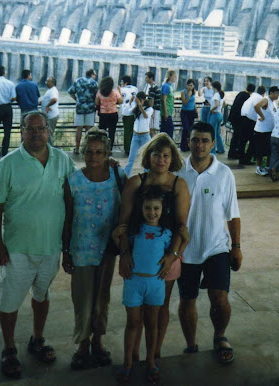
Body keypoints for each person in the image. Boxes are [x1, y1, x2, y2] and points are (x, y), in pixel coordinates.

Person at [0, 111, 76, 379]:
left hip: (51, 247)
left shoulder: (63, 160)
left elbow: (71, 202)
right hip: (17, 248)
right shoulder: (8, 164)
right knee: (10, 299)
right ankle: (9, 348)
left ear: (49, 130)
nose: (37, 134)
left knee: (42, 295)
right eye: (30, 129)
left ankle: (37, 339)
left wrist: (67, 244)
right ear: (21, 131)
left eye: (41, 129)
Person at [117, 133, 190, 364]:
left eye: (166, 156)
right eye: (156, 155)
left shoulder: (179, 185)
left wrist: (173, 256)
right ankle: (134, 356)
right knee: (136, 311)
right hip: (139, 256)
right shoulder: (135, 182)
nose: (161, 160)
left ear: (172, 159)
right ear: (148, 157)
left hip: (168, 255)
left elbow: (181, 226)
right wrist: (124, 253)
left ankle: (154, 353)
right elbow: (123, 224)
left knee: (160, 306)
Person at [177, 121, 242, 365]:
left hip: (217, 247)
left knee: (220, 298)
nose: (200, 145)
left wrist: (236, 247)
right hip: (186, 250)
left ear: (213, 143)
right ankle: (191, 343)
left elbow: (233, 213)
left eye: (205, 140)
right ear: (188, 141)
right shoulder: (178, 172)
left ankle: (220, 336)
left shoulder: (224, 173)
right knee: (187, 300)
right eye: (195, 140)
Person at [62, 128, 126, 371]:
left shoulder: (117, 175)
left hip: (107, 250)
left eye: (99, 152)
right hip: (80, 250)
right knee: (83, 300)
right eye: (89, 151)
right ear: (83, 152)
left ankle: (98, 340)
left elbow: (129, 207)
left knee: (101, 299)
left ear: (107, 153)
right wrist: (65, 251)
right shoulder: (73, 181)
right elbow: (68, 219)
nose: (93, 156)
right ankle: (83, 344)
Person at [114, 186, 189, 384]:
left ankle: (150, 361)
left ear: (163, 209)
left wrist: (185, 242)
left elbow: (172, 256)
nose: (152, 212)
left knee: (152, 324)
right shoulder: (135, 231)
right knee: (132, 324)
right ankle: (128, 363)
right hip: (134, 282)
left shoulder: (165, 233)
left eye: (156, 208)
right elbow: (124, 249)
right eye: (148, 208)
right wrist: (116, 236)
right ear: (141, 208)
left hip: (155, 284)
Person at [68, 69, 98, 154]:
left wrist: (77, 100)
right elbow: (97, 96)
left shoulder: (77, 81)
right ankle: (87, 148)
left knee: (79, 129)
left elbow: (70, 92)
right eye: (94, 75)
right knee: (88, 130)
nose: (95, 76)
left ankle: (77, 148)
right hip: (90, 109)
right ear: (92, 74)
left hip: (79, 108)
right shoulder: (94, 83)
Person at [124, 92, 153, 176]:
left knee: (147, 158)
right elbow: (127, 112)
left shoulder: (149, 109)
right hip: (136, 135)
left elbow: (146, 116)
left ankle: (146, 176)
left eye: (140, 100)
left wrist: (140, 106)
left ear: (143, 100)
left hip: (145, 135)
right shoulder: (136, 108)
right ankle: (126, 176)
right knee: (131, 158)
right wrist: (130, 102)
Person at [239, 86, 268, 165]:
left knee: (243, 140)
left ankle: (241, 158)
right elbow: (258, 108)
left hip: (243, 117)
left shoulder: (252, 96)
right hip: (250, 120)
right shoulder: (260, 99)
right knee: (253, 140)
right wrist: (262, 116)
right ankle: (247, 158)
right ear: (264, 93)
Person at [252, 86, 278, 176]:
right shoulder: (266, 100)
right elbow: (256, 106)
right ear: (271, 93)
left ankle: (267, 167)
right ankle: (258, 168)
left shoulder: (274, 103)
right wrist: (262, 116)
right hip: (262, 130)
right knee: (260, 151)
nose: (278, 95)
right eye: (277, 93)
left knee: (269, 150)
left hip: (270, 131)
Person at [227, 83, 255, 160]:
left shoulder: (240, 94)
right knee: (237, 136)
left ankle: (232, 152)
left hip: (233, 117)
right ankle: (233, 153)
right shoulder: (247, 97)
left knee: (236, 136)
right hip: (238, 119)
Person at [95, 76, 123, 150]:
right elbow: (121, 101)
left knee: (102, 133)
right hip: (113, 114)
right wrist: (120, 91)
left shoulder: (99, 92)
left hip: (103, 115)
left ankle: (102, 148)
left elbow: (96, 102)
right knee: (112, 133)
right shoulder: (115, 92)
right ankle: (109, 149)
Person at [118, 75, 138, 155]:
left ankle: (127, 149)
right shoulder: (135, 88)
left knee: (127, 131)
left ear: (125, 82)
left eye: (122, 82)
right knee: (133, 131)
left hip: (126, 112)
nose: (121, 83)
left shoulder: (122, 89)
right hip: (135, 112)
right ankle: (133, 148)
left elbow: (119, 100)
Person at [208, 81, 226, 154]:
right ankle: (221, 148)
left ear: (214, 87)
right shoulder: (220, 95)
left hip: (215, 114)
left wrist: (211, 110)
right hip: (220, 114)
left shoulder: (216, 95)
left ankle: (212, 151)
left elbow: (216, 104)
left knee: (212, 133)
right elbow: (224, 104)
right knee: (218, 133)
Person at [179, 79, 198, 151]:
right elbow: (184, 103)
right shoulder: (183, 92)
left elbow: (194, 101)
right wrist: (188, 96)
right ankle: (183, 146)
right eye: (189, 85)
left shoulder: (194, 92)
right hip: (184, 112)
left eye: (192, 85)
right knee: (185, 128)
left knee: (190, 129)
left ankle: (189, 146)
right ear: (186, 85)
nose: (190, 87)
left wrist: (195, 108)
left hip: (191, 112)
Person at [41, 76, 59, 145]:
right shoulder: (50, 90)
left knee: (49, 133)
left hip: (51, 116)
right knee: (48, 133)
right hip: (49, 115)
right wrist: (42, 102)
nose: (46, 83)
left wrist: (48, 106)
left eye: (48, 81)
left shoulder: (53, 90)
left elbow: (54, 99)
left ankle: (51, 149)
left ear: (52, 83)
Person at [143, 71, 162, 137]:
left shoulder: (152, 88)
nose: (145, 79)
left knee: (151, 130)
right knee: (152, 130)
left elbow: (151, 102)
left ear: (151, 78)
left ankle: (154, 145)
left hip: (154, 110)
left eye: (147, 78)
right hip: (157, 110)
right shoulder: (156, 86)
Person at [160, 70, 177, 139]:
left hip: (169, 111)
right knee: (169, 130)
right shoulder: (166, 86)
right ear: (170, 76)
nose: (176, 77)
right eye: (174, 75)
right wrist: (166, 112)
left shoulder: (169, 86)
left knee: (166, 130)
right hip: (166, 112)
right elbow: (163, 99)